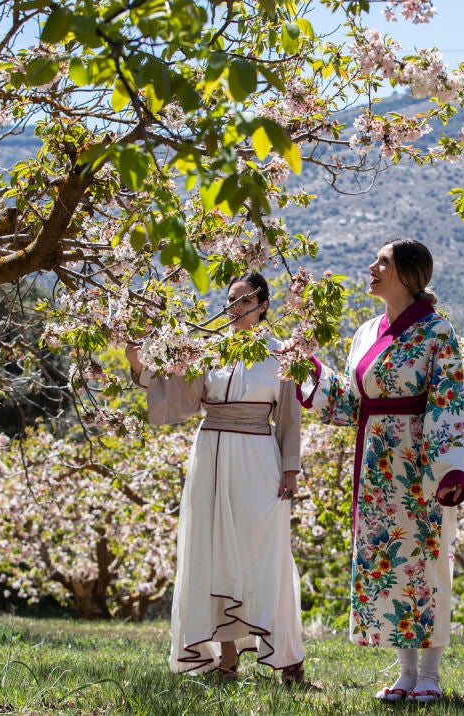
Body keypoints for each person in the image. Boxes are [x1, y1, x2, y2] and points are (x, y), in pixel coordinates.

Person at [297, 238, 464, 705]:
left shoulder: (437, 332)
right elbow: (354, 403)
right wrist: (311, 374)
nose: (371, 267)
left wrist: (452, 467)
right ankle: (405, 672)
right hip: (375, 465)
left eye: (383, 262)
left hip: (420, 463)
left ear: (408, 275)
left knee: (427, 562)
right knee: (387, 562)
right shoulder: (366, 331)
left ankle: (431, 673)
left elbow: (449, 397)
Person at [126, 272, 306, 684]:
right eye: (230, 300)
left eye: (244, 301)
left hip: (259, 457)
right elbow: (178, 394)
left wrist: (290, 469)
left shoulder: (283, 354)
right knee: (213, 554)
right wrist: (139, 360)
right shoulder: (208, 350)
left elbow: (290, 420)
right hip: (209, 454)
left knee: (266, 553)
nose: (234, 308)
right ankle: (226, 659)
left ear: (263, 306)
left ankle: (287, 658)